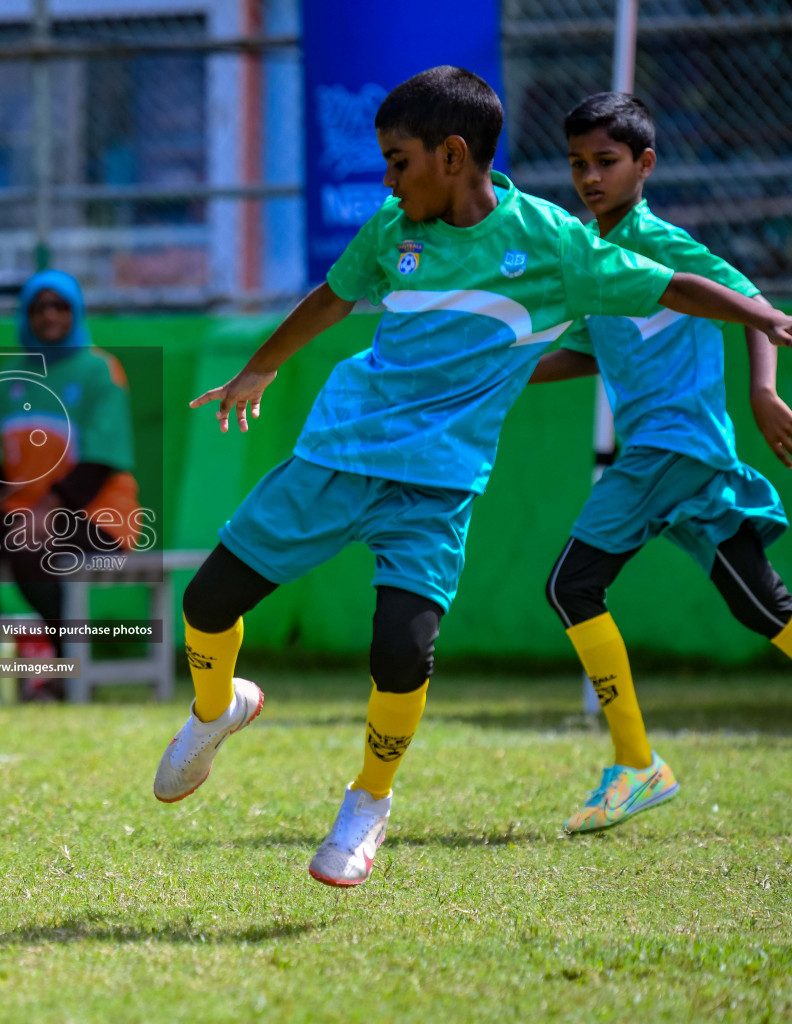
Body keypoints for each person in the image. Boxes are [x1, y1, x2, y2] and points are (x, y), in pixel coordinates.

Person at [154, 66, 792, 888]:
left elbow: (673, 284)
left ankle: (368, 802)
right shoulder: (393, 231)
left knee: (403, 652)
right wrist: (259, 370)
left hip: (439, 486)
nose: (387, 180)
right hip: (336, 455)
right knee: (204, 604)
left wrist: (764, 319)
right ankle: (218, 710)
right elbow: (331, 298)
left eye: (398, 161)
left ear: (452, 156)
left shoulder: (557, 245)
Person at [526, 93, 792, 833]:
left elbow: (751, 301)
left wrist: (762, 390)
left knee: (570, 585)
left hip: (670, 452)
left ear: (644, 164)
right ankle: (637, 764)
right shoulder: (591, 256)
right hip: (684, 462)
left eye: (605, 162)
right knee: (760, 605)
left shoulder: (660, 242)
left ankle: (637, 765)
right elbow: (586, 349)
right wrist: (501, 371)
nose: (589, 176)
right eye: (578, 163)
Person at [0, 270, 140, 703]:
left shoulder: (100, 370)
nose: (49, 315)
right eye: (39, 307)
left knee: (32, 551)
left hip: (97, 514)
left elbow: (101, 460)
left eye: (60, 306)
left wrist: (48, 511)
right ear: (25, 316)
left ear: (77, 312)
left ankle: (65, 671)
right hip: (22, 514)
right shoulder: (12, 375)